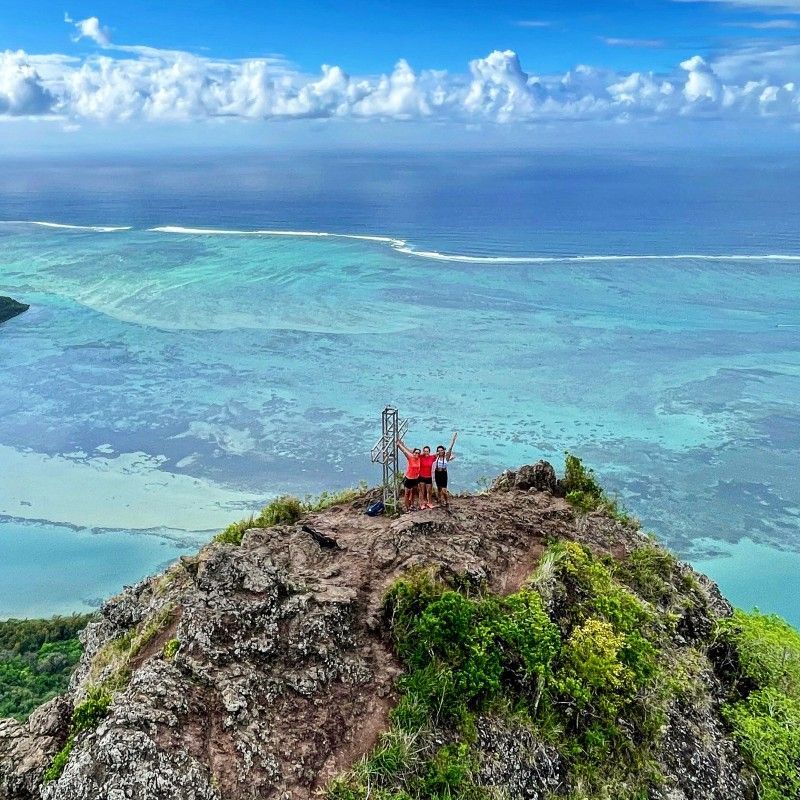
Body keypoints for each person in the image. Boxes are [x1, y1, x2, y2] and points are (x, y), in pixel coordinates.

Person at [434, 432, 457, 508]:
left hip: (443, 474)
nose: (440, 451)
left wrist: (453, 439)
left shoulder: (446, 457)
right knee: (439, 489)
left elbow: (450, 448)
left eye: (441, 450)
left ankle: (447, 501)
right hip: (437, 473)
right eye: (438, 450)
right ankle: (439, 501)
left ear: (444, 450)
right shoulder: (435, 456)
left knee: (444, 489)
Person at [396, 439, 421, 511]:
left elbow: (429, 455)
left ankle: (412, 505)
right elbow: (404, 451)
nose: (417, 454)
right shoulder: (410, 457)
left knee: (413, 493)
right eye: (416, 453)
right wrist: (399, 445)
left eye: (418, 453)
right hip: (408, 479)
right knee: (407, 494)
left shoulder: (419, 459)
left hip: (415, 479)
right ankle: (407, 508)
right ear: (413, 453)